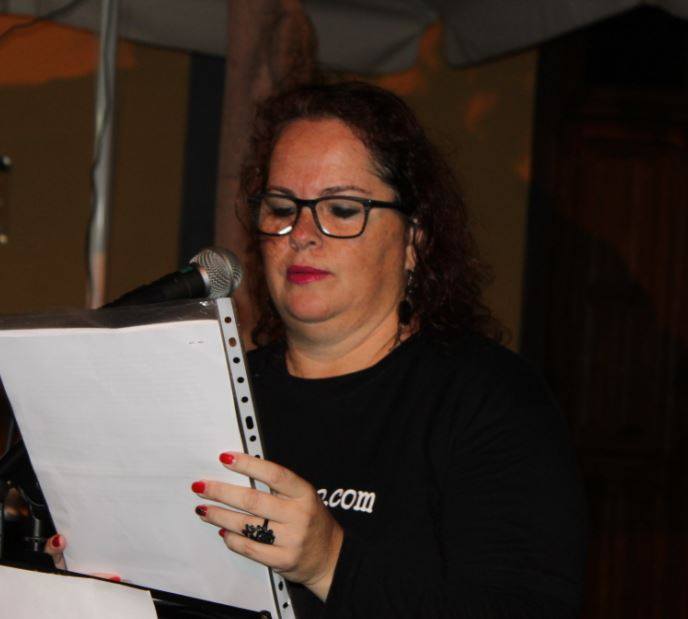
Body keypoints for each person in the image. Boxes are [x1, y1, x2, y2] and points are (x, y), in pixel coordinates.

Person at [49, 81, 586, 617]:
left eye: (342, 209)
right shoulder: (210, 391)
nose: (301, 233)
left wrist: (330, 563)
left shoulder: (489, 399)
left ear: (413, 241)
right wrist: (107, 577)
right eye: (282, 207)